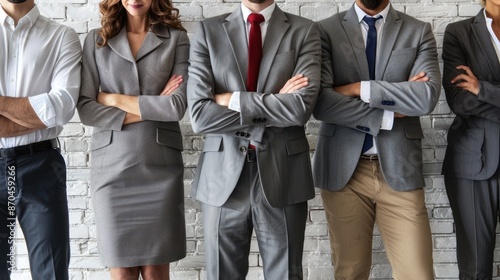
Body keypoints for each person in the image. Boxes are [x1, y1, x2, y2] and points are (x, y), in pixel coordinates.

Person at [187, 0, 320, 277]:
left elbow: (298, 110)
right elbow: (200, 115)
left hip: (284, 172)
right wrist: (276, 101)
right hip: (222, 176)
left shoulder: (304, 30)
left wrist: (232, 99)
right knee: (221, 274)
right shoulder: (208, 31)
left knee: (285, 273)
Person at [312, 0, 440, 279]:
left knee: (418, 274)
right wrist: (389, 114)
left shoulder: (417, 30)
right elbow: (321, 103)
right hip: (344, 171)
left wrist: (357, 88)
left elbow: (426, 97)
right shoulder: (325, 30)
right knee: (350, 272)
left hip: (400, 168)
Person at [76, 0, 188, 278]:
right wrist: (153, 105)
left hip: (159, 168)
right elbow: (87, 109)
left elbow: (176, 106)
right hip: (112, 171)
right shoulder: (96, 40)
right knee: (122, 271)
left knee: (155, 272)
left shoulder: (177, 39)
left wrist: (113, 99)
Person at [0, 0, 81, 279]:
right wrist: (36, 113)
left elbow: (62, 107)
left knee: (52, 272)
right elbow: (49, 111)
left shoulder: (62, 36)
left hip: (41, 166)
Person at [441, 0, 500, 278]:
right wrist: (476, 92)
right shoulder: (459, 33)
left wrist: (483, 89)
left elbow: (475, 96)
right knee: (475, 268)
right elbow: (460, 101)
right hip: (474, 160)